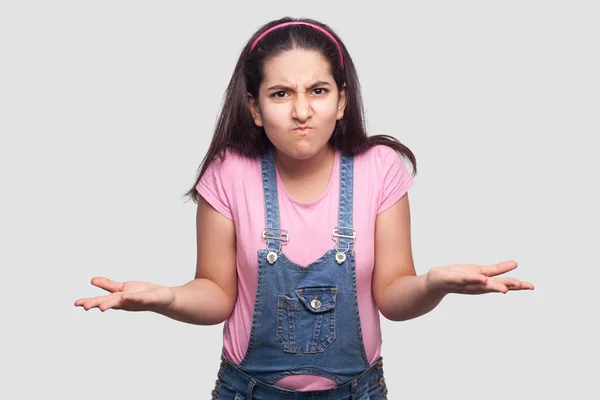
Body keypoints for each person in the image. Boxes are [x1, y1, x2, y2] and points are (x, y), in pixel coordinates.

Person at [74, 17, 534, 400]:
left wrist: (435, 285)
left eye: (318, 91)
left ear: (342, 100)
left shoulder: (379, 169)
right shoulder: (229, 171)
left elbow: (392, 296)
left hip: (359, 391)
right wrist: (166, 299)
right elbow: (216, 293)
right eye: (280, 94)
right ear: (255, 108)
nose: (301, 111)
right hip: (246, 391)